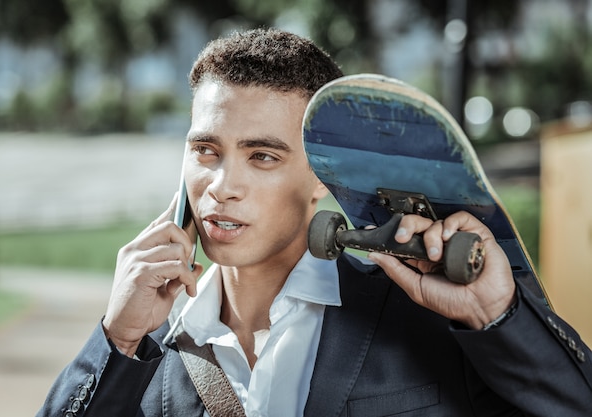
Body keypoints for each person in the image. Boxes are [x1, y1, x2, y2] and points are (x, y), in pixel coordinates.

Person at [37, 28, 592, 417]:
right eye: (206, 150)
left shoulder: (420, 320)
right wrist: (116, 337)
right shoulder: (140, 350)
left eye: (263, 157)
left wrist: (501, 317)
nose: (222, 184)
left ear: (322, 176)